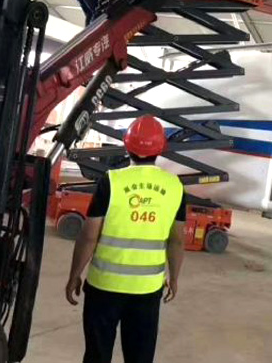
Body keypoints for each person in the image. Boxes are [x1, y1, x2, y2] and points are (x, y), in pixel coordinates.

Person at [66, 115, 186, 363]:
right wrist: (174, 277)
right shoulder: (175, 186)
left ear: (127, 144)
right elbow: (177, 240)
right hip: (147, 291)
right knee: (140, 357)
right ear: (160, 148)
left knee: (97, 355)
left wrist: (74, 275)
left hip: (104, 287)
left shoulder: (112, 181)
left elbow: (89, 236)